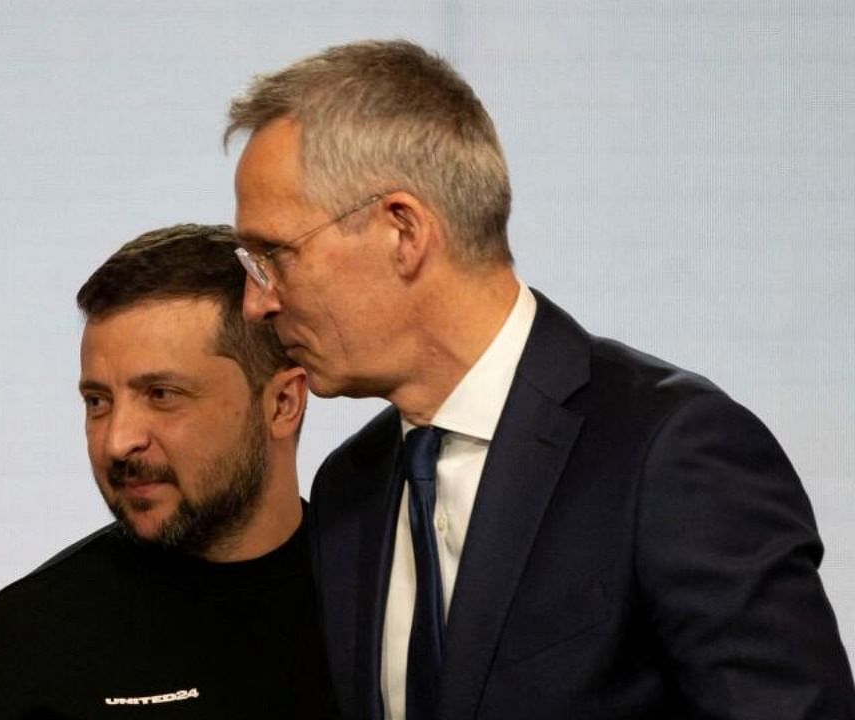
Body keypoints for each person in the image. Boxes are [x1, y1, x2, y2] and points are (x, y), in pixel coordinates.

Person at [226, 39, 855, 720]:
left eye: (274, 255)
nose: (257, 301)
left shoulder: (669, 452)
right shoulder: (350, 486)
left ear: (402, 231)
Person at [0, 224, 337, 719]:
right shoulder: (15, 654)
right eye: (98, 401)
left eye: (162, 395)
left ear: (283, 403)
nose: (116, 441)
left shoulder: (387, 605)